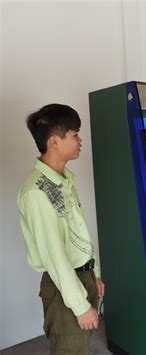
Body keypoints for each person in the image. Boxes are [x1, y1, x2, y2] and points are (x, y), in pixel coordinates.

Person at [17, 104, 105, 355]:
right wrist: (79, 305)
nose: (79, 140)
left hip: (82, 277)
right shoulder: (36, 191)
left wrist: (94, 273)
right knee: (70, 348)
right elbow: (53, 255)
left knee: (81, 346)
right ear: (55, 141)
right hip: (63, 284)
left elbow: (78, 233)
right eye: (74, 134)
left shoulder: (64, 179)